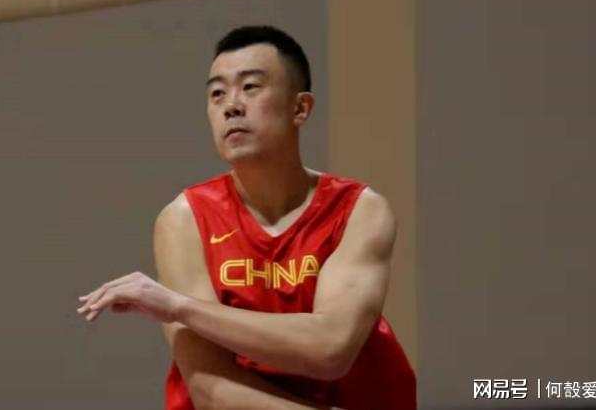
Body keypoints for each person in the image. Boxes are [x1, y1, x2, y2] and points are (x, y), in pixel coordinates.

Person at [76, 25, 417, 410]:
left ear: (300, 108)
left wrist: (179, 307)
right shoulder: (185, 219)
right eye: (217, 94)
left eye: (250, 87)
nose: (231, 106)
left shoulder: (360, 210)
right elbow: (212, 391)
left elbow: (330, 348)